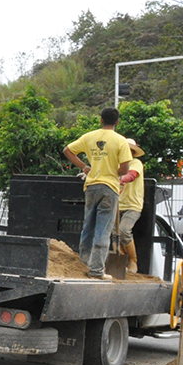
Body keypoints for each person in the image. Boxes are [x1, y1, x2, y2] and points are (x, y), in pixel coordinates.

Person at [63, 107, 132, 280]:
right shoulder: (121, 141)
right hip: (109, 188)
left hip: (91, 186)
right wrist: (114, 172)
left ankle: (83, 263)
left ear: (101, 120)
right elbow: (125, 168)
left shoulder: (89, 137)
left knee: (88, 226)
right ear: (117, 122)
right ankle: (96, 270)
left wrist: (84, 167)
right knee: (103, 229)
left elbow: (67, 151)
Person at [116, 138, 146, 270]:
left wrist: (120, 179)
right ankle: (120, 264)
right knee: (112, 233)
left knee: (123, 231)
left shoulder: (136, 163)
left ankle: (132, 260)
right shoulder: (117, 164)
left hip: (132, 206)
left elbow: (132, 175)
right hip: (117, 205)